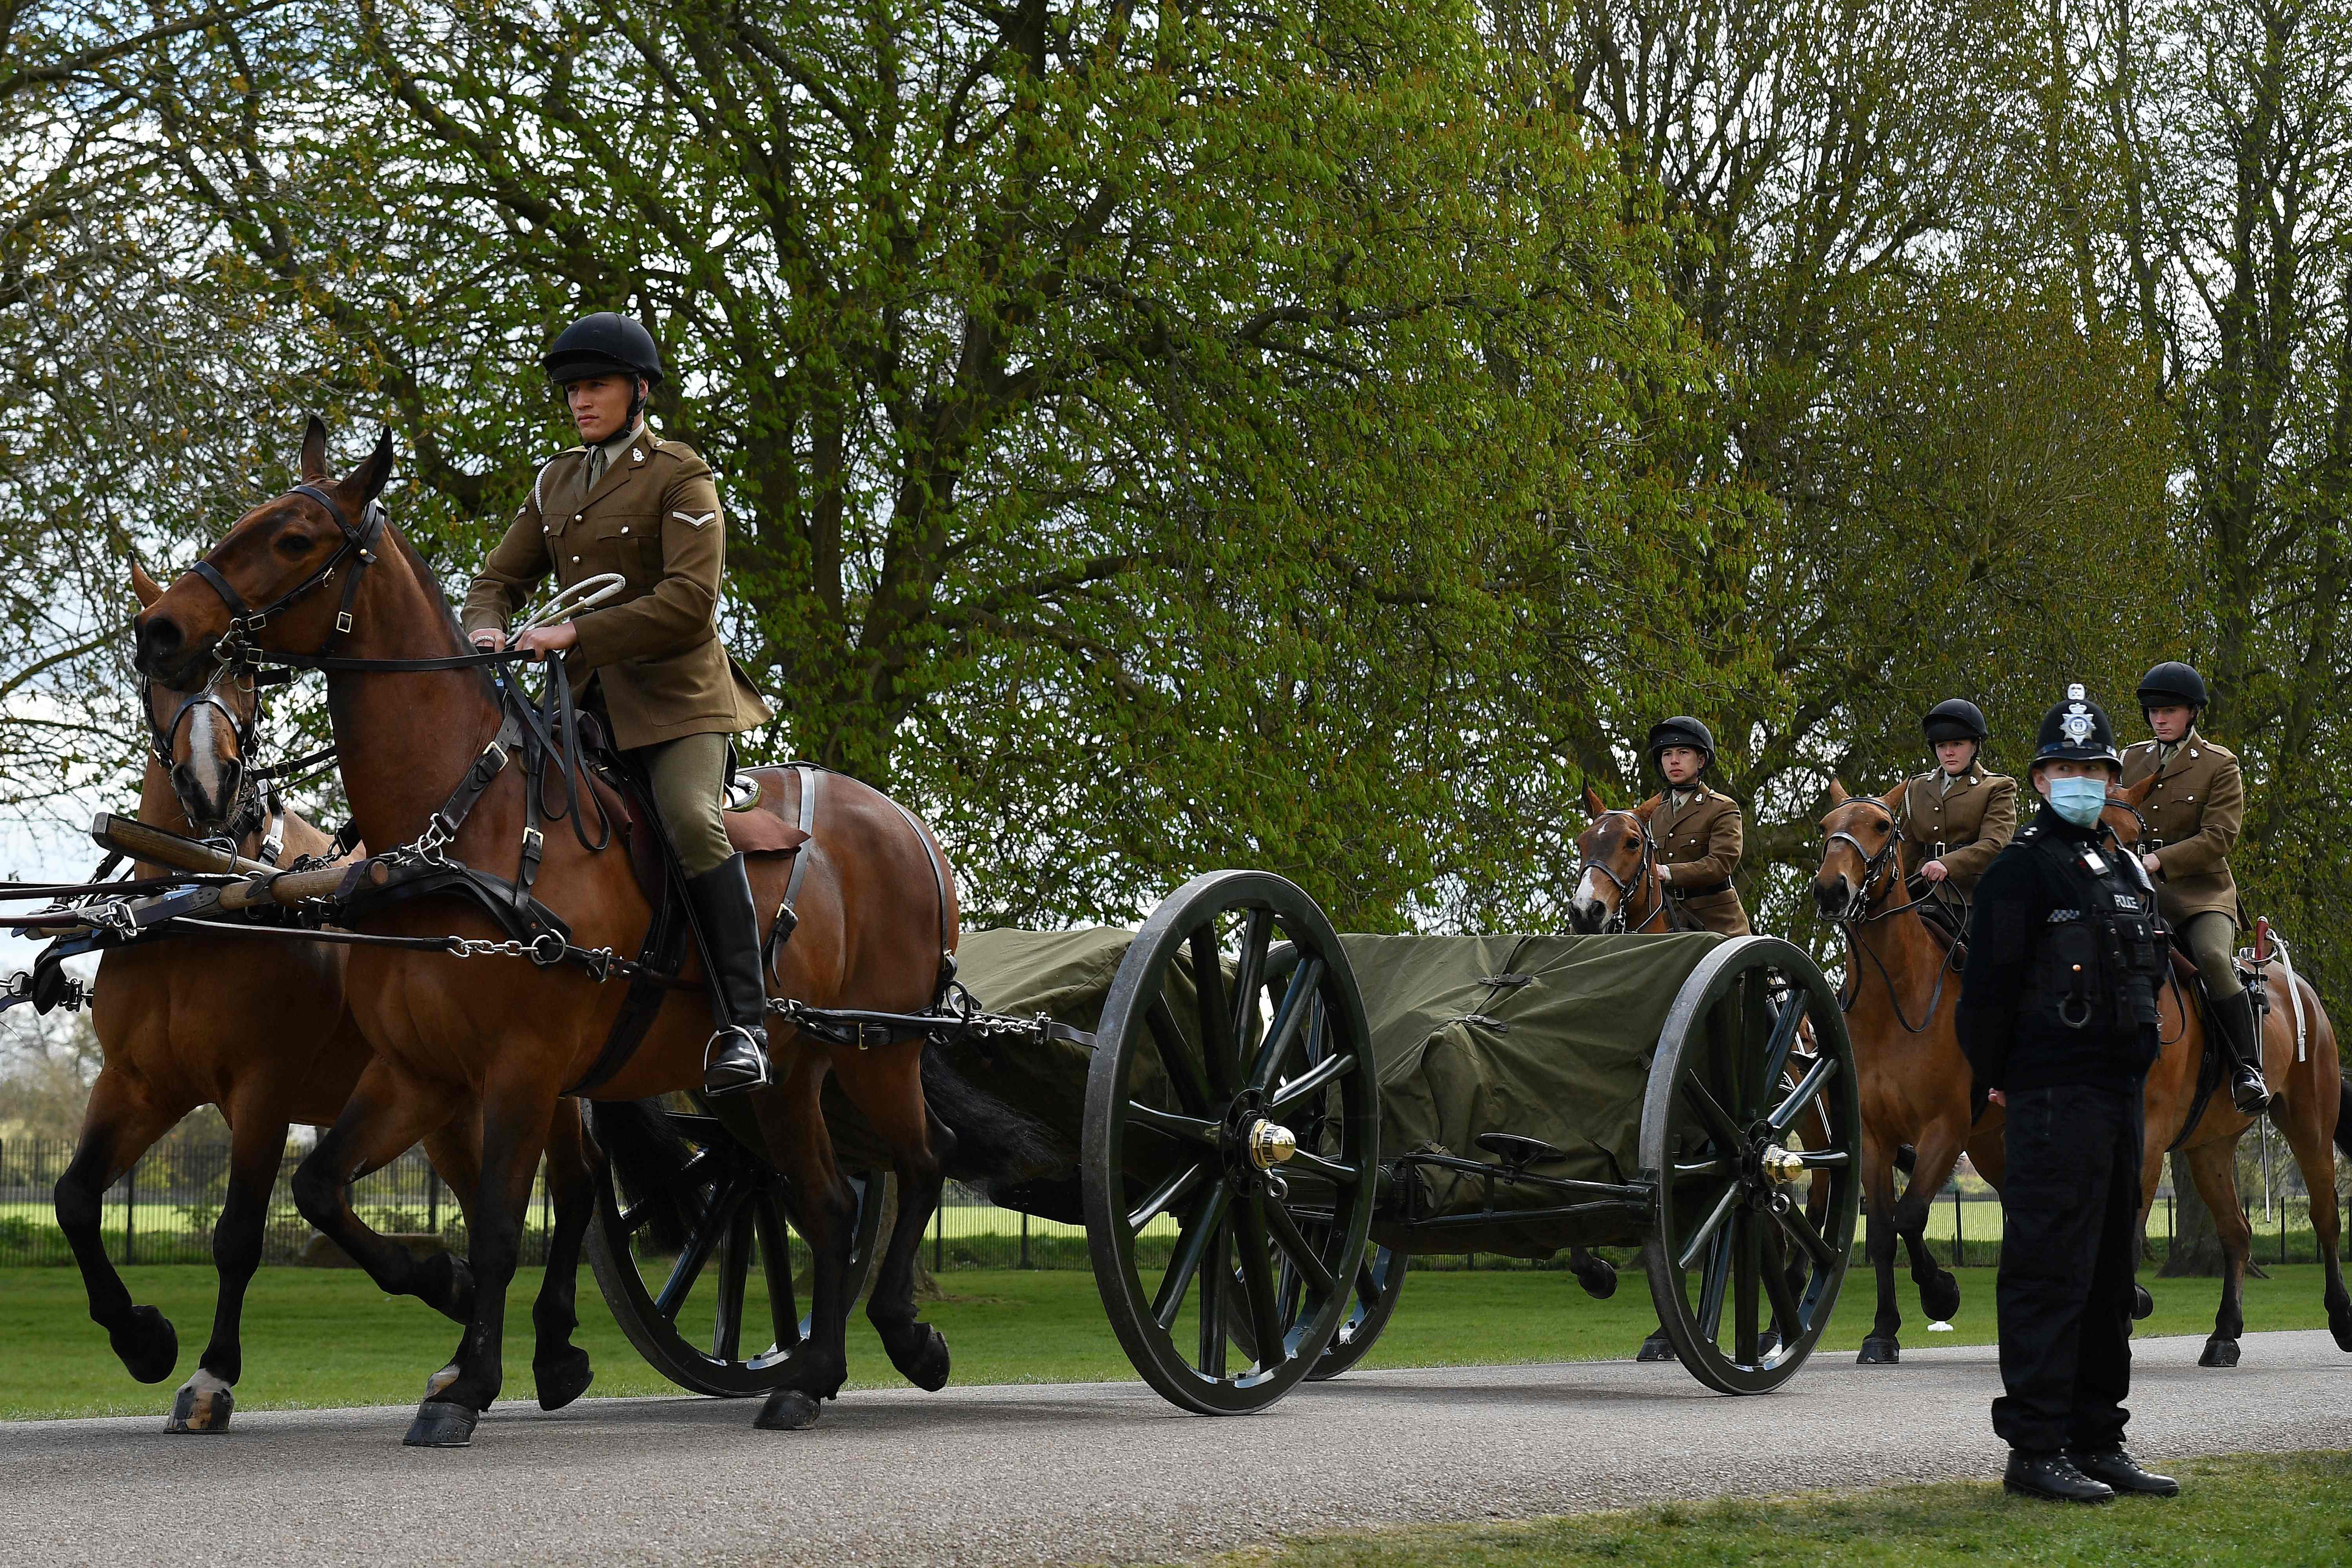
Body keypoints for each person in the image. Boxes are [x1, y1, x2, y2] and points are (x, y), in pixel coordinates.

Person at [461, 312, 777, 1098]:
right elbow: (497, 580)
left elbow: (687, 604)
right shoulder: (555, 481)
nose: (580, 402)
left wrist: (573, 631)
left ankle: (746, 1023)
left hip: (678, 705)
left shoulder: (680, 473)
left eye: (595, 386)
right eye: (571, 390)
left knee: (688, 819)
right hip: (576, 709)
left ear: (638, 390)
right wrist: (489, 627)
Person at [1956, 684, 2178, 1505]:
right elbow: (1982, 993)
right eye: (2064, 766)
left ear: (2109, 776)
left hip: (2118, 1094)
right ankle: (2035, 1447)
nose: (2079, 778)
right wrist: (1998, 1077)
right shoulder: (2019, 867)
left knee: (2107, 1276)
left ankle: (2097, 1436)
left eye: (2093, 765)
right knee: (2049, 1269)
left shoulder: (2118, 864)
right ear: (2041, 778)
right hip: (2050, 1095)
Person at [2118, 661, 2266, 1115]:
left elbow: (2219, 836)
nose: (2158, 719)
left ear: (2192, 713)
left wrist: (2160, 859)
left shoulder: (2220, 764)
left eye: (2169, 710)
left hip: (2201, 894)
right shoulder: (2127, 760)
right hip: (2138, 889)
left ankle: (2247, 1068)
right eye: (2152, 711)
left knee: (2213, 958)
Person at [1897, 699, 2016, 927]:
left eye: (1957, 744)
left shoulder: (1997, 787)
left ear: (1975, 746)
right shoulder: (1916, 788)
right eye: (1942, 746)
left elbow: (1995, 844)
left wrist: (1946, 864)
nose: (1949, 752)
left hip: (1971, 897)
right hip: (1920, 891)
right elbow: (1908, 850)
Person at [1637, 716, 1749, 936]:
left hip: (1717, 924)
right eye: (1667, 755)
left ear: (1701, 761)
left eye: (1683, 753)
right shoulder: (1655, 815)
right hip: (1666, 924)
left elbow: (1720, 864)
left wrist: (1667, 873)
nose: (1674, 761)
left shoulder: (1723, 808)